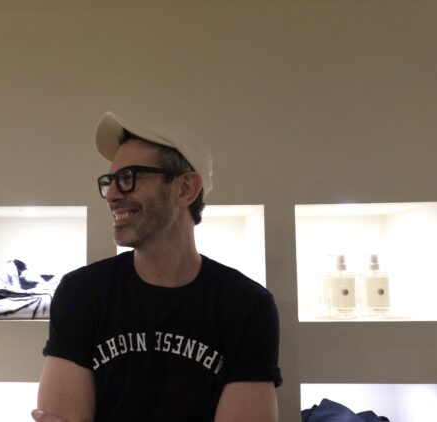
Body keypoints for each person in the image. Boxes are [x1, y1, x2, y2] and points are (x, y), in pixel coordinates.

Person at [33, 111, 282, 422]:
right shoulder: (81, 293)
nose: (112, 196)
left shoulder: (247, 306)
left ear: (185, 188)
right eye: (110, 182)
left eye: (128, 178)